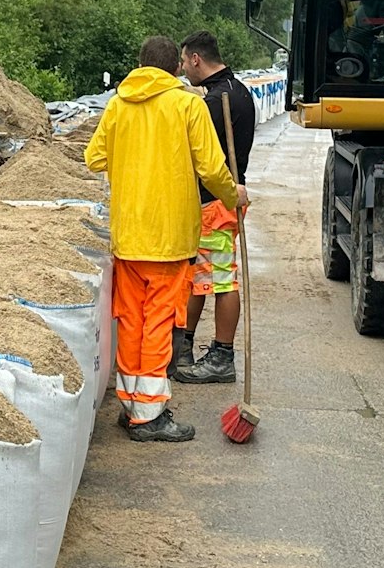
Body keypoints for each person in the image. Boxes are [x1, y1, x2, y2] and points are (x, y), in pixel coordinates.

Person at [84, 35, 241, 443]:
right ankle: (150, 417)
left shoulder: (119, 104)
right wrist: (233, 196)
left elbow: (94, 158)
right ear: (175, 68)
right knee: (159, 323)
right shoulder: (186, 104)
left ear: (140, 66)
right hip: (169, 238)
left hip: (129, 234)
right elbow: (211, 167)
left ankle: (133, 406)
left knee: (132, 322)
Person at [172, 31, 256, 385]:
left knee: (219, 280)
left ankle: (221, 355)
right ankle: (186, 348)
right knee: (202, 279)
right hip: (219, 201)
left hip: (215, 204)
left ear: (195, 59)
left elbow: (205, 159)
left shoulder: (216, 103)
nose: (182, 70)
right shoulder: (236, 91)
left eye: (183, 62)